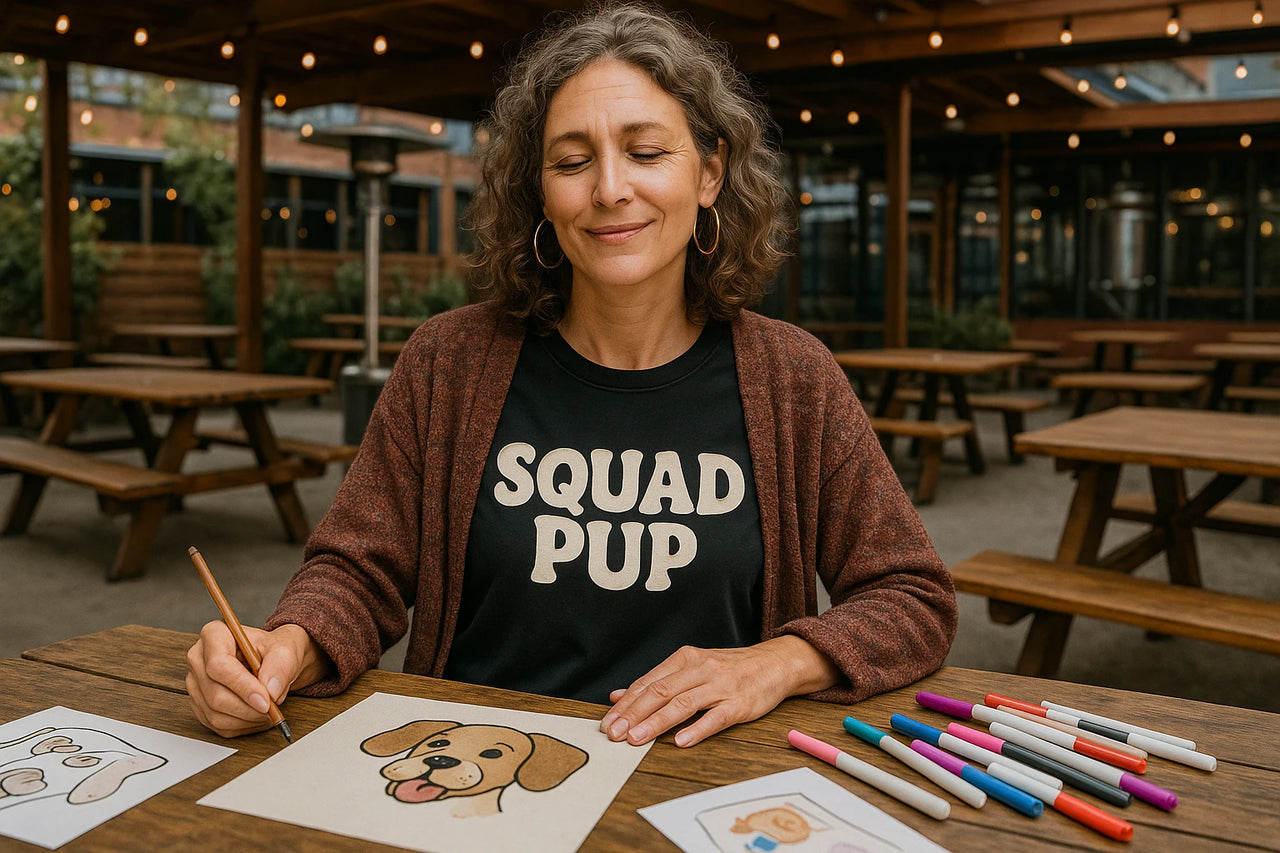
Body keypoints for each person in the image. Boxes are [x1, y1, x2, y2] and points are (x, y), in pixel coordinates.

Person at [186, 2, 956, 749]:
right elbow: (357, 574)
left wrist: (779, 661)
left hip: (699, 790)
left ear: (711, 173)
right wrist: (288, 643)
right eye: (572, 160)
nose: (610, 188)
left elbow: (913, 597)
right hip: (470, 778)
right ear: (540, 193)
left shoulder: (793, 378)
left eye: (646, 152)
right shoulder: (448, 362)